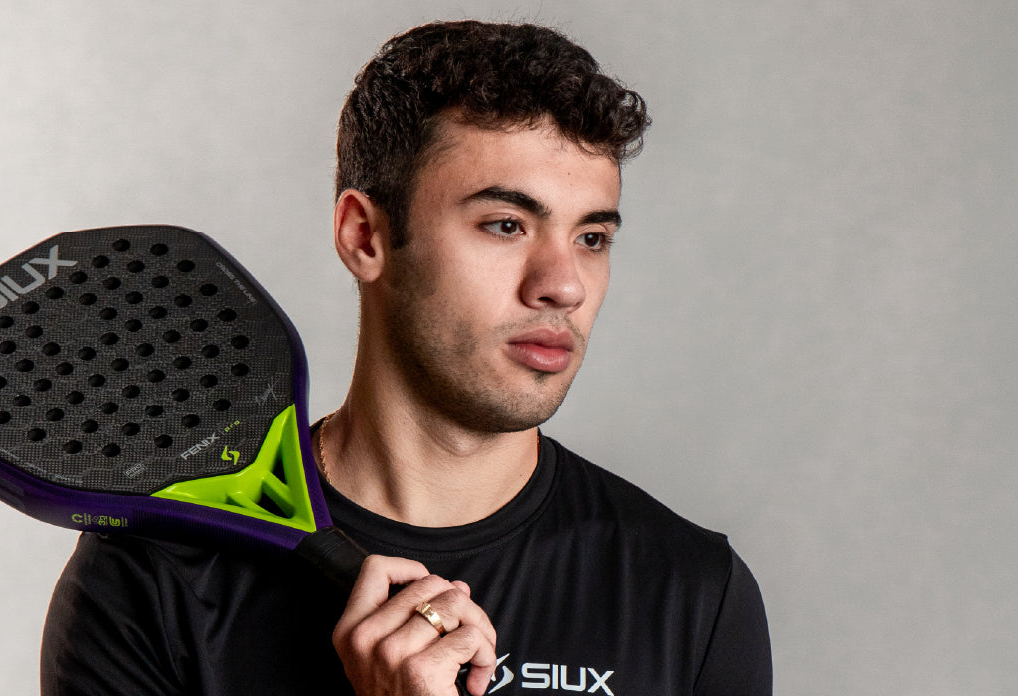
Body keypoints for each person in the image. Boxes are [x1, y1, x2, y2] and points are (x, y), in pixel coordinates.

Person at [41, 20, 771, 696]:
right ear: (365, 236)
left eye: (592, 238)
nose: (563, 285)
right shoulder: (152, 579)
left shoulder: (690, 590)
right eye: (506, 224)